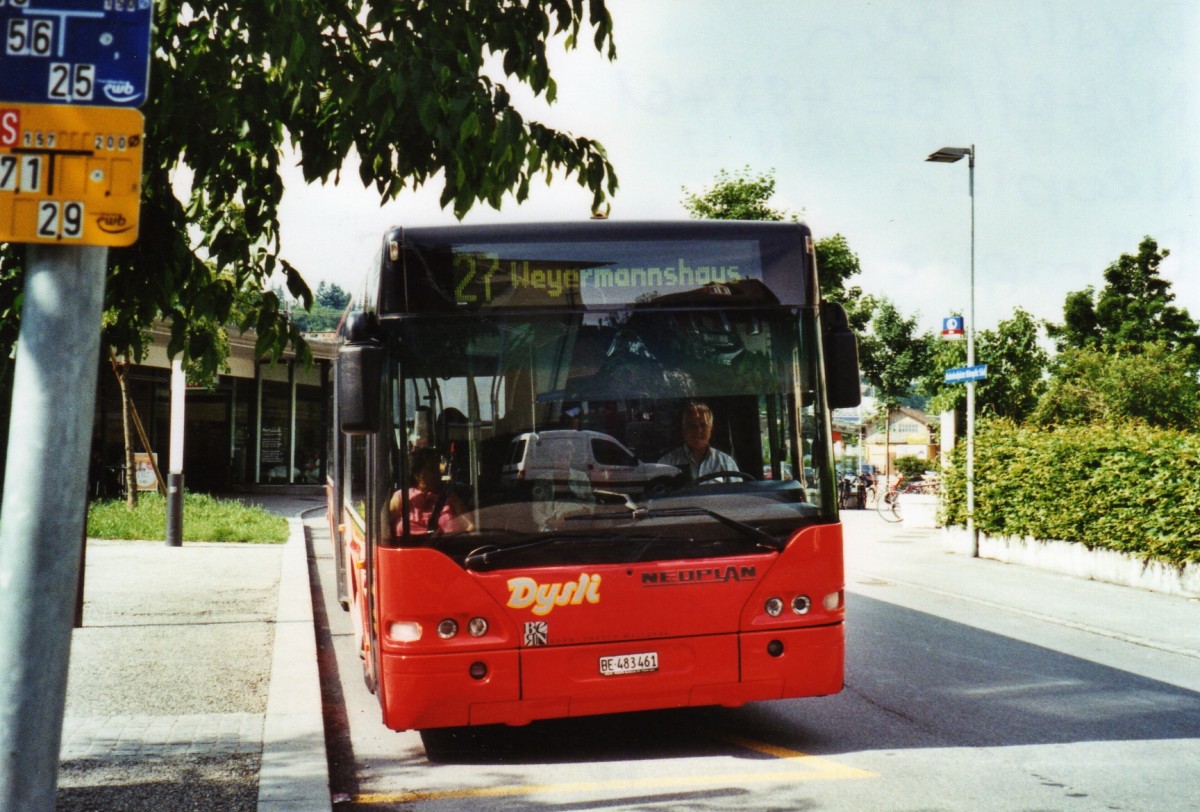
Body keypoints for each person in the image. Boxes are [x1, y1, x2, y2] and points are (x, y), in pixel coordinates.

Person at [390, 447, 472, 537]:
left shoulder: (450, 498)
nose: (436, 474)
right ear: (417, 474)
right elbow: (383, 527)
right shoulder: (401, 497)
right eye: (431, 469)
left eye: (438, 469)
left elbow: (471, 527)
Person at [658, 401, 739, 482]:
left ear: (711, 428)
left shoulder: (725, 462)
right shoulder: (667, 463)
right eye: (692, 426)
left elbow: (738, 493)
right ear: (684, 429)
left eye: (703, 425)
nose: (698, 431)